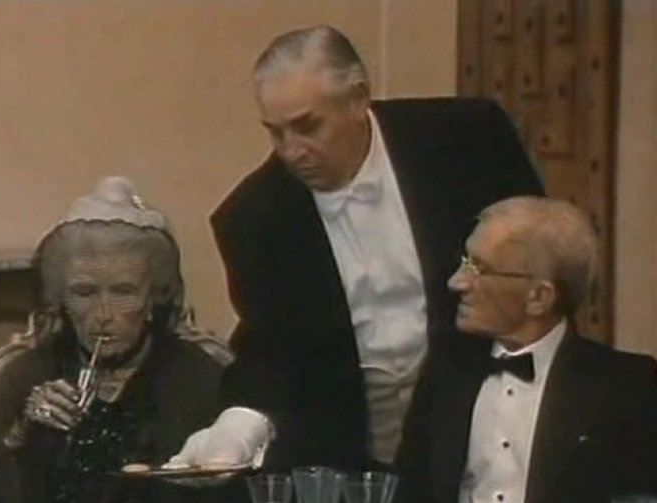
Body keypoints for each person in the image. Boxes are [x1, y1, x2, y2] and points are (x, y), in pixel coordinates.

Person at [170, 25, 544, 471]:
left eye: (307, 127)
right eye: (276, 133)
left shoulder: (467, 138)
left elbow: (542, 265)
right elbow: (272, 351)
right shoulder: (254, 218)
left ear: (358, 99)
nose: (291, 152)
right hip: (350, 456)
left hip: (494, 431)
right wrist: (238, 426)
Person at [0, 177, 225, 503]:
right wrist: (21, 433)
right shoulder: (25, 374)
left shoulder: (197, 378)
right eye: (84, 292)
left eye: (123, 291)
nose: (103, 313)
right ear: (62, 300)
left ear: (152, 300)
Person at [395, 196, 657, 503]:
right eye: (465, 261)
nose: (456, 283)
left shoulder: (626, 385)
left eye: (478, 268)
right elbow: (409, 490)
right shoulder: (448, 369)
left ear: (539, 298)